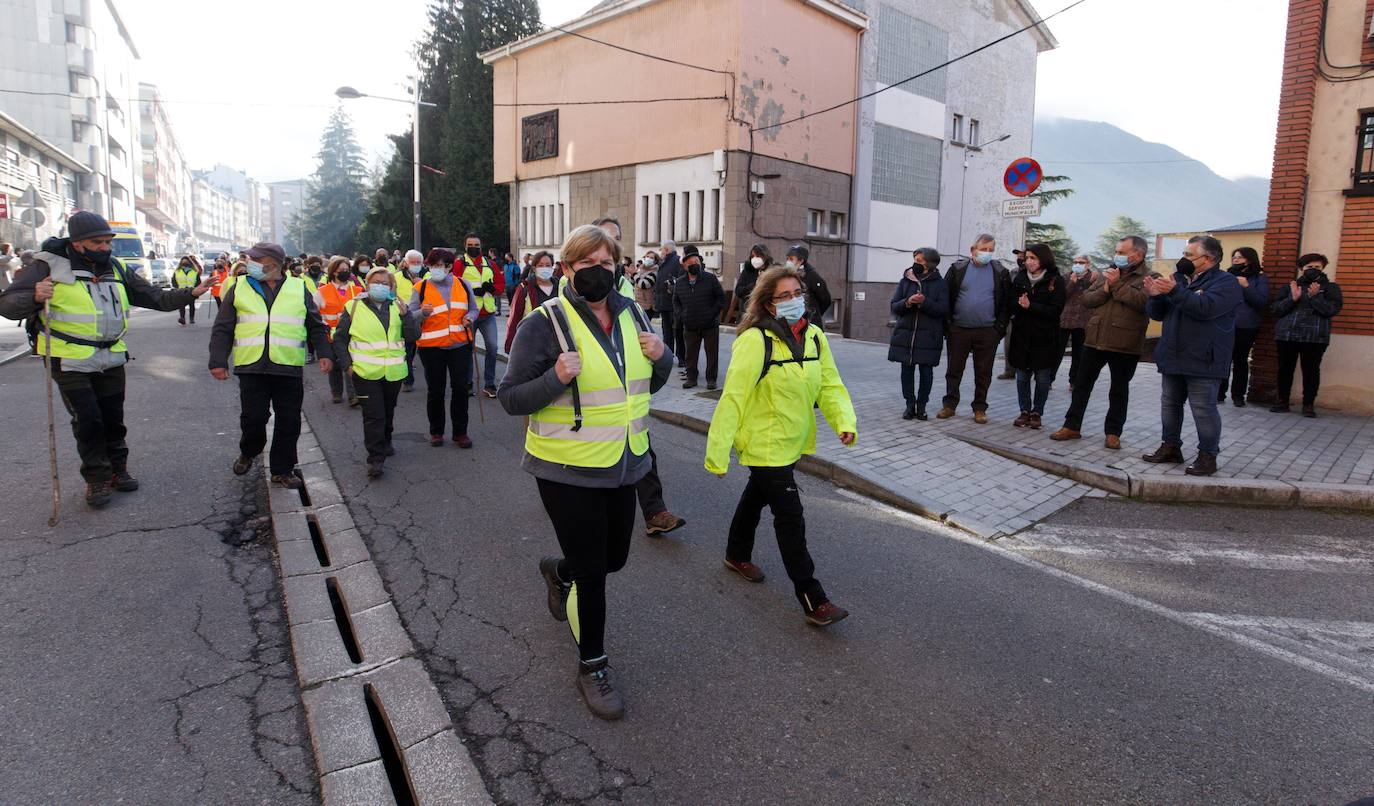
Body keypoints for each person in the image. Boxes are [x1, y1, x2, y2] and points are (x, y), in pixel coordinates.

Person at [498, 224, 674, 720]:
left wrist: (664, 357)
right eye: (587, 264)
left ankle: (559, 572)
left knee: (613, 558)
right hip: (566, 470)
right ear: (567, 269)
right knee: (596, 575)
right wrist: (555, 378)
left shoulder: (632, 312)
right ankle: (592, 666)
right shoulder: (544, 323)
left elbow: (648, 382)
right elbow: (510, 397)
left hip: (624, 462)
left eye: (607, 263)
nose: (599, 272)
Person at [0, 211, 213, 507]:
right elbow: (8, 306)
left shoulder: (115, 267)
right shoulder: (47, 265)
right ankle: (97, 479)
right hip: (68, 357)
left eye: (107, 241)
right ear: (77, 244)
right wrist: (35, 296)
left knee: (114, 419)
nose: (105, 247)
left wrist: (191, 293)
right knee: (88, 419)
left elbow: (155, 297)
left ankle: (118, 470)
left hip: (111, 355)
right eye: (97, 242)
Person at [705, 264, 857, 627]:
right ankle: (812, 598)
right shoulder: (755, 341)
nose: (793, 301)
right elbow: (733, 399)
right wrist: (718, 452)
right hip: (763, 442)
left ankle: (735, 554)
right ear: (769, 304)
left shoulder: (815, 337)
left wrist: (844, 422)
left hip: (792, 439)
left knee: (756, 496)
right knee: (790, 517)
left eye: (796, 293)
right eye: (783, 296)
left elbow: (830, 385)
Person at [209, 242, 333, 489]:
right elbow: (223, 327)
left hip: (287, 365)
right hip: (251, 366)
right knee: (254, 418)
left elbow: (316, 325)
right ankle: (249, 451)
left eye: (256, 259)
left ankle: (282, 469)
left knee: (289, 420)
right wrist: (218, 360)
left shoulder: (299, 288)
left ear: (273, 264)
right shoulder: (239, 287)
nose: (251, 263)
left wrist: (324, 353)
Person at [1141, 236, 1242, 476]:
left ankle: (1208, 455)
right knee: (1170, 404)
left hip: (1204, 357)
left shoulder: (1226, 282)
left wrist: (1175, 291)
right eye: (1184, 254)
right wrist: (1155, 296)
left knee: (1203, 408)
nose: (1182, 259)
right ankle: (1170, 446)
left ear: (1208, 258)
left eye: (1188, 255)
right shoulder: (1178, 280)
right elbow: (1159, 314)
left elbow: (1205, 309)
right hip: (1173, 354)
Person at [1050, 235, 1151, 450]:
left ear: (1139, 255)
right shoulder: (1108, 274)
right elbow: (1087, 299)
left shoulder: (1149, 277)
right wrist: (1107, 287)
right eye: (1117, 252)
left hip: (1125, 342)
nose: (1118, 256)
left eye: (1122, 252)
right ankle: (1072, 426)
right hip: (1095, 339)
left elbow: (1142, 303)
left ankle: (1113, 433)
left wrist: (1115, 286)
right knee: (1081, 385)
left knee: (1118, 390)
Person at [333, 267, 420, 477]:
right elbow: (339, 339)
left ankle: (386, 441)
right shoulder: (353, 306)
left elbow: (413, 336)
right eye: (376, 282)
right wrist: (347, 366)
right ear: (367, 284)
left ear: (391, 287)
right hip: (364, 373)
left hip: (393, 372)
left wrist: (406, 315)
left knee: (388, 410)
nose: (380, 286)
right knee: (374, 415)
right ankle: (375, 458)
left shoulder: (398, 307)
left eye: (384, 283)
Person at [937, 234, 1013, 423]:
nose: (987, 253)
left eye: (990, 250)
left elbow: (1006, 303)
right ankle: (949, 405)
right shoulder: (957, 269)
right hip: (959, 329)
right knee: (954, 369)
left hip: (987, 331)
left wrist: (999, 329)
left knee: (983, 372)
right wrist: (948, 325)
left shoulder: (1000, 272)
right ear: (973, 250)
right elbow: (945, 296)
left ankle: (980, 408)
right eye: (983, 249)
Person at [413, 248, 479, 448]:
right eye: (432, 265)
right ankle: (436, 432)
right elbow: (409, 315)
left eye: (439, 265)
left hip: (460, 345)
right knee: (436, 390)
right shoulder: (421, 287)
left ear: (449, 266)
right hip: (431, 347)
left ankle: (460, 433)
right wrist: (422, 313)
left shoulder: (463, 284)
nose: (435, 269)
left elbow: (474, 309)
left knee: (460, 389)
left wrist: (470, 318)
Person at [1270, 253, 1344, 417]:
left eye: (1317, 267)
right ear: (1302, 268)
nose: (1313, 270)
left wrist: (1315, 297)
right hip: (1287, 335)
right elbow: (1275, 310)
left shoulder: (1331, 288)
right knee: (1285, 369)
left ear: (1323, 268)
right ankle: (1282, 401)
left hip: (1315, 337)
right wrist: (1293, 299)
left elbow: (1331, 310)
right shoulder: (1290, 286)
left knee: (1311, 370)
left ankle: (1308, 405)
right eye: (1309, 267)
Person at [1008, 244, 1067, 429]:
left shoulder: (1055, 280)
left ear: (1043, 259)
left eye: (1033, 258)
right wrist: (1018, 306)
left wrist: (1031, 306)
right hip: (1022, 336)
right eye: (1027, 258)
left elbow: (1056, 310)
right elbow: (1011, 304)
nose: (1029, 262)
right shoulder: (1020, 278)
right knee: (1022, 377)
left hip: (1045, 338)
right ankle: (1024, 411)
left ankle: (1037, 412)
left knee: (1042, 378)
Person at [888, 248, 948, 420]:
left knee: (926, 372)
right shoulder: (905, 280)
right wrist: (908, 302)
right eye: (915, 259)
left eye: (920, 261)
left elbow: (943, 309)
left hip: (928, 336)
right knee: (906, 371)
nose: (916, 263)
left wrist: (924, 302)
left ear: (929, 264)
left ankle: (922, 406)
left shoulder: (940, 283)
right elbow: (894, 306)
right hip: (906, 335)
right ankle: (909, 405)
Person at [1217, 247, 1269, 407]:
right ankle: (1219, 393)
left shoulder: (1258, 278)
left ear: (1249, 259)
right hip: (1224, 323)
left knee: (1240, 360)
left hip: (1246, 325)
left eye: (1240, 257)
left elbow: (1261, 302)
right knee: (1223, 359)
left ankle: (1238, 395)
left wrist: (1246, 286)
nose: (1236, 260)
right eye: (1234, 257)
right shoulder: (1226, 276)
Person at [673, 246, 725, 390]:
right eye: (690, 263)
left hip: (710, 324)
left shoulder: (710, 278)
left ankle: (711, 380)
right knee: (691, 354)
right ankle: (691, 378)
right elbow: (676, 302)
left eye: (696, 261)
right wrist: (682, 315)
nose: (694, 264)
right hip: (690, 325)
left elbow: (720, 298)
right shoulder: (680, 282)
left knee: (712, 354)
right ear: (685, 266)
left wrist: (712, 313)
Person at [458, 233, 501, 398]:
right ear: (465, 246)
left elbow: (500, 284)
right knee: (467, 349)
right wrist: (469, 291)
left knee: (493, 348)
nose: (474, 247)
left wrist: (492, 288)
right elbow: (454, 284)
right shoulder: (459, 264)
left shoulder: (489, 264)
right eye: (471, 245)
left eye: (477, 245)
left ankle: (489, 384)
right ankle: (467, 382)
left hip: (488, 313)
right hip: (469, 313)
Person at [316, 257, 362, 406]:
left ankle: (353, 395)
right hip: (331, 335)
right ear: (333, 272)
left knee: (350, 363)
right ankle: (336, 392)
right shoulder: (322, 291)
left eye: (347, 269)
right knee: (335, 366)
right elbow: (314, 314)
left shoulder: (357, 290)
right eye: (341, 270)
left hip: (352, 334)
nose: (345, 272)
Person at [505, 251, 557, 353]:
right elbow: (515, 317)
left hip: (556, 343)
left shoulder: (560, 287)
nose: (545, 268)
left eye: (548, 265)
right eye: (540, 265)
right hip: (531, 342)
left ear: (552, 268)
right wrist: (510, 345)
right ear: (534, 268)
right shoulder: (525, 288)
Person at [1058, 255, 1097, 390]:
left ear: (1088, 264)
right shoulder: (1066, 276)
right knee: (1057, 351)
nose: (1078, 264)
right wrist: (1072, 282)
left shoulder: (1094, 278)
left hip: (1083, 320)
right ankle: (1049, 378)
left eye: (1081, 262)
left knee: (1079, 354)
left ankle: (1073, 381)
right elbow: (1062, 296)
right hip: (1065, 319)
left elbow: (1095, 296)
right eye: (1075, 262)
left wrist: (1090, 282)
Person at [392, 250, 424, 392]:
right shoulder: (396, 277)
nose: (416, 265)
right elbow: (391, 295)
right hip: (405, 318)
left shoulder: (428, 276)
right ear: (405, 263)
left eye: (418, 262)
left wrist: (422, 284)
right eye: (413, 262)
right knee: (408, 351)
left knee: (421, 350)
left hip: (423, 317)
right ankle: (408, 379)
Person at [652, 240, 685, 362]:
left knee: (677, 331)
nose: (660, 252)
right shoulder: (663, 262)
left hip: (673, 303)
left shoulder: (677, 261)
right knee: (666, 331)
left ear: (666, 250)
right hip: (663, 302)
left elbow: (680, 280)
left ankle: (681, 358)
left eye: (661, 249)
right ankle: (668, 355)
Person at [784, 244, 832, 323]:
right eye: (787, 259)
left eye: (791, 259)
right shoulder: (787, 275)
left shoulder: (812, 276)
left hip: (810, 322)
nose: (788, 262)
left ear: (801, 261)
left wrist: (814, 313)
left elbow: (825, 300)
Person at [726, 244, 769, 325]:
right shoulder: (747, 271)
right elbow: (739, 290)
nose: (755, 259)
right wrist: (754, 284)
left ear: (765, 257)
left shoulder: (771, 271)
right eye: (752, 256)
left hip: (764, 316)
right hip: (746, 314)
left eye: (757, 256)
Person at [173, 256, 202, 325]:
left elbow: (198, 281)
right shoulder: (177, 271)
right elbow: (174, 280)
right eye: (183, 262)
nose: (184, 263)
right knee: (181, 305)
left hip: (191, 291)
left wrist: (196, 289)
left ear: (189, 263)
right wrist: (176, 288)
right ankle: (182, 318)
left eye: (186, 262)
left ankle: (191, 318)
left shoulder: (194, 271)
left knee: (191, 305)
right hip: (181, 291)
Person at [631, 252, 657, 317]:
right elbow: (635, 282)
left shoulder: (654, 272)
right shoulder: (641, 269)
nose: (648, 259)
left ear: (655, 261)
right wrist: (633, 275)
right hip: (637, 302)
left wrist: (634, 274)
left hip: (646, 305)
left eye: (651, 258)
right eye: (647, 256)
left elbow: (643, 284)